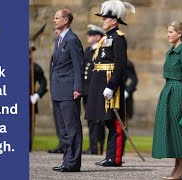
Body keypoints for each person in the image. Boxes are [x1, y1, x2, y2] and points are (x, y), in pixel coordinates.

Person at [85, 0, 135, 167]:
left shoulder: (119, 38)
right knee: (107, 121)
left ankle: (115, 158)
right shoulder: (106, 38)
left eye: (105, 18)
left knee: (115, 122)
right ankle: (109, 156)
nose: (102, 21)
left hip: (109, 84)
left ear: (114, 21)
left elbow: (120, 66)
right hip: (100, 82)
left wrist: (112, 86)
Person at [152, 21, 182, 179]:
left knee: (181, 130)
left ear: (179, 34)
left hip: (180, 94)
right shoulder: (170, 51)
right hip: (169, 92)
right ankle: (178, 167)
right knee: (172, 130)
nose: (168, 34)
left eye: (171, 31)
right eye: (168, 31)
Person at [51, 9, 84, 172]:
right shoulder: (59, 39)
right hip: (58, 89)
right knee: (63, 129)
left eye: (57, 18)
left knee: (72, 127)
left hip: (69, 90)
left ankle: (73, 162)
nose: (54, 20)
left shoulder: (72, 39)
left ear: (65, 20)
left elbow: (79, 65)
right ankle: (67, 160)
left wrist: (78, 87)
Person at [82, 24, 106, 155]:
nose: (88, 36)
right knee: (90, 120)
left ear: (97, 37)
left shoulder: (101, 50)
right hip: (87, 91)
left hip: (96, 91)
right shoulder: (88, 51)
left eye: (90, 35)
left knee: (98, 121)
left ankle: (98, 146)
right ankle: (92, 146)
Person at [48, 29, 67, 154]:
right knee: (58, 119)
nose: (56, 32)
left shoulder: (68, 45)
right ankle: (62, 143)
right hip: (55, 88)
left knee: (65, 120)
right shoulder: (57, 47)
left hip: (64, 88)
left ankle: (66, 145)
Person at [29, 47, 48, 152]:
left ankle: (27, 146)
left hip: (29, 100)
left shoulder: (34, 67)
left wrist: (37, 95)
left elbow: (43, 83)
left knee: (28, 125)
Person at [122, 59, 138, 153]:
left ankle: (120, 150)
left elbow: (134, 79)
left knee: (123, 124)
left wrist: (127, 91)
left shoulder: (127, 63)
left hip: (123, 98)